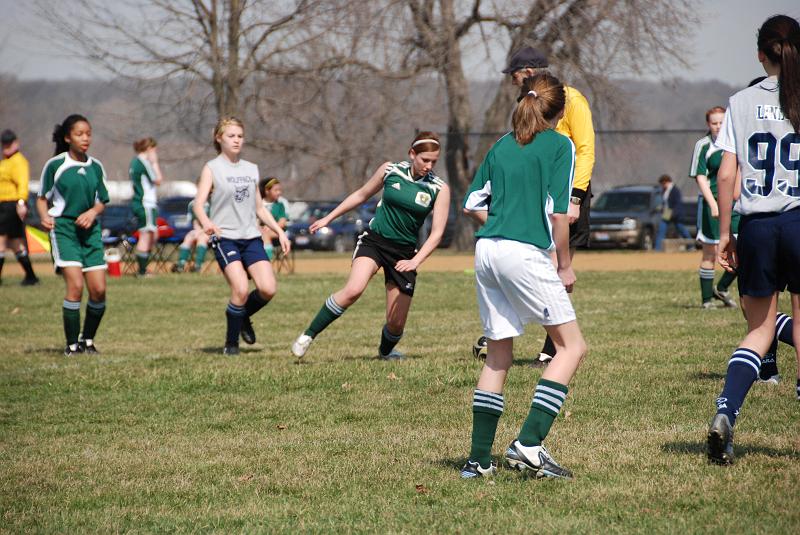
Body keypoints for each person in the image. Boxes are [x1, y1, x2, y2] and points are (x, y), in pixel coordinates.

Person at [460, 74, 586, 479]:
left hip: (486, 250)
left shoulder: (501, 144)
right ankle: (528, 444)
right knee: (571, 348)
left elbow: (472, 203)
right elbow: (560, 215)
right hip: (522, 253)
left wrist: (500, 221)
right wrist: (563, 264)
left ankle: (478, 461)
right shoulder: (559, 144)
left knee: (498, 354)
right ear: (561, 111)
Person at [707, 15, 800, 465]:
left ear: (760, 55)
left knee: (759, 330)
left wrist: (726, 233)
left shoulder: (740, 101)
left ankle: (726, 411)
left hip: (758, 226)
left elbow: (727, 172)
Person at [290, 131, 450, 360]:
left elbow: (437, 234)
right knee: (354, 289)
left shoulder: (438, 188)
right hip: (375, 241)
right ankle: (308, 335)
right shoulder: (390, 170)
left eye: (434, 161)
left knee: (395, 324)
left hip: (404, 254)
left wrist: (415, 261)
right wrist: (328, 218)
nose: (429, 165)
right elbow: (361, 195)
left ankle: (385, 352)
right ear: (412, 154)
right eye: (425, 160)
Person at [502, 46, 595, 366]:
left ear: (527, 71)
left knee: (557, 270)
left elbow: (585, 150)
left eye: (513, 74)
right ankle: (507, 334)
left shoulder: (571, 100)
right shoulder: (527, 103)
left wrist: (575, 199)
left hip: (566, 194)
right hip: (536, 193)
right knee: (531, 265)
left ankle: (553, 346)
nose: (512, 81)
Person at [193, 117, 290, 355]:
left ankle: (243, 315)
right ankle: (231, 344)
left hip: (250, 237)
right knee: (240, 289)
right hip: (225, 237)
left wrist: (279, 231)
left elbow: (259, 208)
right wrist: (207, 223)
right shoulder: (212, 168)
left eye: (240, 136)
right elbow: (198, 204)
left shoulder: (251, 169)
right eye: (231, 136)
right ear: (219, 138)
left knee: (268, 289)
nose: (236, 140)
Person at [36, 114, 109, 356]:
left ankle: (87, 340)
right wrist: (44, 216)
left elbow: (102, 201)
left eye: (88, 133)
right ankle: (71, 346)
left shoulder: (96, 166)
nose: (85, 138)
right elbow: (41, 198)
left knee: (98, 290)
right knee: (76, 286)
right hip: (64, 230)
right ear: (68, 137)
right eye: (79, 134)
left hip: (90, 233)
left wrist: (92, 211)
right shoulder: (56, 165)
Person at [689, 107, 740, 308]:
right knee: (710, 252)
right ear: (708, 124)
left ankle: (722, 288)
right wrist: (713, 204)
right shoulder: (703, 145)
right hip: (712, 206)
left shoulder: (735, 142)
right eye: (714, 123)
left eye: (721, 122)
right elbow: (700, 176)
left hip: (735, 205)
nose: (718, 126)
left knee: (741, 249)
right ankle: (707, 301)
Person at [0, 129, 39, 285]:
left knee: (1, 240)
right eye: (4, 144)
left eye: (9, 143)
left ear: (16, 143)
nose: (6, 147)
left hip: (11, 204)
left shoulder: (18, 161)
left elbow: (23, 183)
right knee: (16, 243)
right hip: (4, 204)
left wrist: (21, 202)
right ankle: (31, 276)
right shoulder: (5, 162)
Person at [129, 137, 163, 276]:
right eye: (154, 150)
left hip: (145, 204)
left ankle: (144, 267)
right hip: (145, 204)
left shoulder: (135, 162)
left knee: (153, 234)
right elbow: (158, 180)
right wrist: (155, 162)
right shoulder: (143, 162)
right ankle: (142, 271)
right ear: (149, 149)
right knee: (146, 236)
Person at [654, 174, 692, 250]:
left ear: (666, 182)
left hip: (675, 213)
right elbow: (665, 202)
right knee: (661, 229)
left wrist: (673, 213)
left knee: (682, 229)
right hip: (667, 212)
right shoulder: (664, 191)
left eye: (663, 183)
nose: (662, 185)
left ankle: (691, 246)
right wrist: (660, 208)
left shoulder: (675, 190)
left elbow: (678, 204)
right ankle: (657, 249)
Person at [172, 199, 210, 273]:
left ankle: (197, 266)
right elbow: (194, 221)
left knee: (202, 238)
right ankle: (181, 265)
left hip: (211, 231)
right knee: (189, 237)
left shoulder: (213, 202)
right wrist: (197, 231)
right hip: (198, 230)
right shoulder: (192, 204)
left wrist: (202, 231)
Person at [258, 177, 288, 261]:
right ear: (267, 191)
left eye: (280, 190)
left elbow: (282, 222)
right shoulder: (259, 204)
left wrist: (271, 226)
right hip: (259, 231)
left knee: (266, 234)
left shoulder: (280, 205)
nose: (279, 193)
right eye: (276, 190)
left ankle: (267, 260)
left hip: (276, 231)